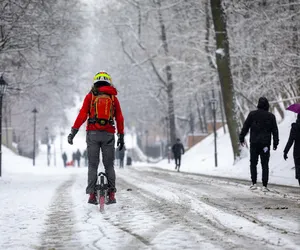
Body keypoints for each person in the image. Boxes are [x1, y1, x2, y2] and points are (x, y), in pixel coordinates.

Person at [67, 71, 125, 205]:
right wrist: (121, 136)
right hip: (109, 134)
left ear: (95, 82)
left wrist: (73, 132)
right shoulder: (113, 98)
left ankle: (92, 195)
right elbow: (120, 118)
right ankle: (111, 194)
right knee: (109, 165)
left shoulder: (91, 96)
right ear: (109, 82)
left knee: (92, 165)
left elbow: (82, 115)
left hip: (92, 134)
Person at [239, 97, 279, 191]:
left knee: (253, 163)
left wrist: (241, 138)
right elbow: (275, 130)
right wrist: (275, 143)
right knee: (265, 164)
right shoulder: (271, 116)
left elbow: (245, 127)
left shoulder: (252, 114)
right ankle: (265, 185)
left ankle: (254, 183)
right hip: (265, 144)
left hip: (254, 143)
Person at [283, 113, 300, 186]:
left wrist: (285, 151)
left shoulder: (295, 127)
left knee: (299, 168)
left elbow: (290, 140)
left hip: (297, 151)